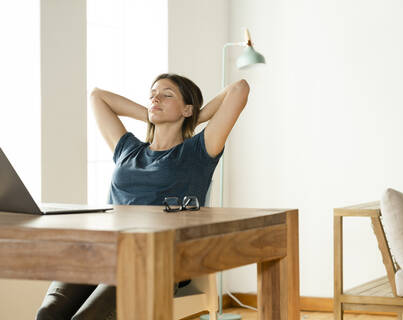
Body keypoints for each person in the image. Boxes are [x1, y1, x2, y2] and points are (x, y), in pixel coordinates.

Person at [35, 73, 250, 320]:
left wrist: (195, 118)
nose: (156, 98)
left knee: (88, 318)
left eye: (167, 95)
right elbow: (98, 97)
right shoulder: (128, 149)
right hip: (100, 250)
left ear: (188, 108)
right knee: (48, 314)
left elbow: (239, 89)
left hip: (153, 259)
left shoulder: (197, 151)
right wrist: (153, 115)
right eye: (152, 95)